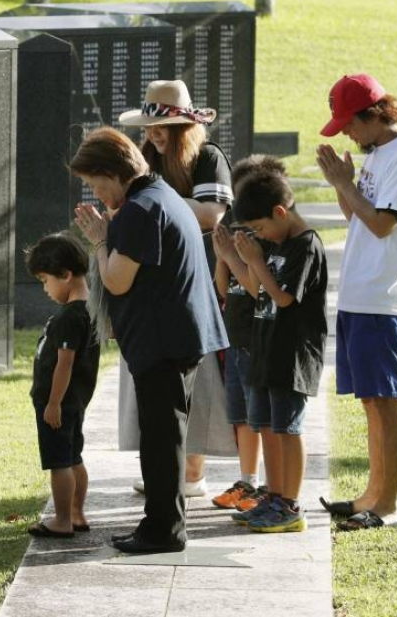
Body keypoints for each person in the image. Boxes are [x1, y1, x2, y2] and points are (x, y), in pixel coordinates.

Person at [72, 127, 227, 552]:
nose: (95, 192)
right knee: (165, 435)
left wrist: (101, 240)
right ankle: (161, 523)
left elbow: (118, 281)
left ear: (113, 171)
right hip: (178, 338)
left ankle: (164, 530)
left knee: (161, 439)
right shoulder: (159, 194)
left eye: (94, 182)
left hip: (164, 343)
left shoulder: (142, 208)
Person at [316, 74, 397, 531]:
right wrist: (342, 185)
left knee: (386, 398)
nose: (346, 132)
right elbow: (358, 217)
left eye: (349, 123)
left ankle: (389, 505)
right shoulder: (380, 153)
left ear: (376, 113)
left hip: (385, 296)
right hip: (362, 295)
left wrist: (347, 183)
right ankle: (372, 494)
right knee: (369, 399)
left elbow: (383, 224)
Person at [118, 79, 236, 500]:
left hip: (199, 286)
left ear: (184, 126)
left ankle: (191, 473)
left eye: (160, 125)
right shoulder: (145, 159)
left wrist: (156, 196)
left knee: (198, 388)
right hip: (152, 289)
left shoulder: (208, 158)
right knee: (153, 390)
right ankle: (162, 470)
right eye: (149, 125)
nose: (152, 133)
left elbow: (209, 216)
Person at [230, 167, 327, 533]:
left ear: (280, 213)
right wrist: (241, 256)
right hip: (266, 349)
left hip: (293, 355)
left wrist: (255, 259)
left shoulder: (306, 245)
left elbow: (285, 298)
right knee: (268, 425)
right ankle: (273, 495)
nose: (260, 235)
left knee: (288, 429)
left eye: (260, 228)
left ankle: (291, 505)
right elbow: (258, 291)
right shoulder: (276, 241)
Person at [210, 156, 289, 512]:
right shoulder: (237, 227)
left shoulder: (268, 235)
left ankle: (270, 488)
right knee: (241, 415)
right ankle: (248, 479)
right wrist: (222, 256)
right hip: (236, 333)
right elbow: (224, 289)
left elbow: (259, 289)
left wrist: (234, 255)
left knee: (262, 416)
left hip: (260, 337)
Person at [24, 233, 101, 539]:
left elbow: (64, 363)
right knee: (73, 458)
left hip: (59, 404)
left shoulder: (70, 317)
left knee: (59, 463)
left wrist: (53, 402)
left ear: (66, 275)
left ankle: (61, 519)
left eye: (45, 280)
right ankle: (77, 514)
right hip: (74, 403)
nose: (44, 288)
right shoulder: (88, 310)